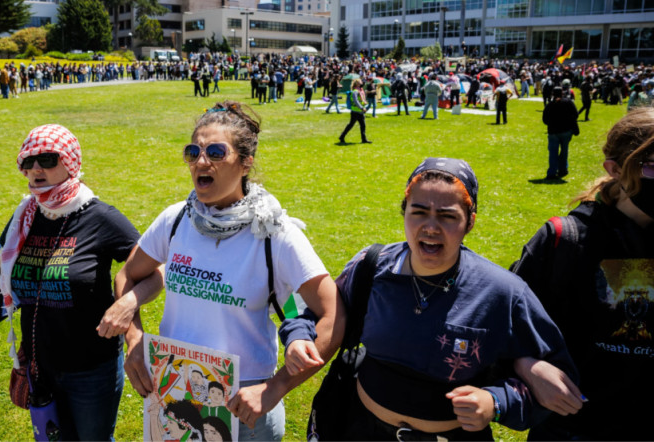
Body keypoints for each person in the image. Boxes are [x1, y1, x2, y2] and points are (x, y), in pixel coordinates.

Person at [283, 158, 578, 441]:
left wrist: (496, 402)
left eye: (448, 216)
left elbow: (560, 382)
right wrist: (297, 336)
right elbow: (312, 308)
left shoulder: (504, 293)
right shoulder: (370, 266)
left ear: (470, 222)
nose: (431, 227)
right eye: (419, 211)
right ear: (405, 212)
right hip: (360, 429)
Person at [118, 101, 343, 441]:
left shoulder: (274, 232)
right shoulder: (175, 219)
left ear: (246, 162)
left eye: (216, 152)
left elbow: (334, 315)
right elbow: (127, 275)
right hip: (174, 388)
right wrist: (134, 340)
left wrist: (275, 387)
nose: (201, 162)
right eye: (193, 152)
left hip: (245, 401)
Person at [0, 124, 157, 441]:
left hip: (91, 369)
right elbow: (1, 261)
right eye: (28, 161)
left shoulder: (100, 217)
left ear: (70, 161)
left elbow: (156, 269)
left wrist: (128, 304)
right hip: (40, 364)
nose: (35, 169)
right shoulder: (26, 215)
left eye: (46, 159)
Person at [512, 107, 654, 440]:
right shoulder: (564, 240)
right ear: (615, 170)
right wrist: (527, 367)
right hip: (572, 429)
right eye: (652, 166)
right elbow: (505, 327)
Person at [543, 87, 579, 179]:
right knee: (564, 151)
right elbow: (576, 114)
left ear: (552, 94)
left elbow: (545, 119)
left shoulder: (550, 105)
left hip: (553, 131)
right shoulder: (568, 102)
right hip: (566, 131)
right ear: (562, 93)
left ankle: (552, 172)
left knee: (553, 153)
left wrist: (552, 123)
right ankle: (562, 169)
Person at [339, 80, 371, 144]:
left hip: (360, 111)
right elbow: (356, 101)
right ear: (357, 84)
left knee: (363, 125)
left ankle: (364, 139)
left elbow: (361, 99)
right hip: (355, 111)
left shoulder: (360, 90)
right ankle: (342, 136)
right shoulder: (355, 91)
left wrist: (364, 102)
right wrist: (362, 107)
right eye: (360, 82)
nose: (362, 83)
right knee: (351, 125)